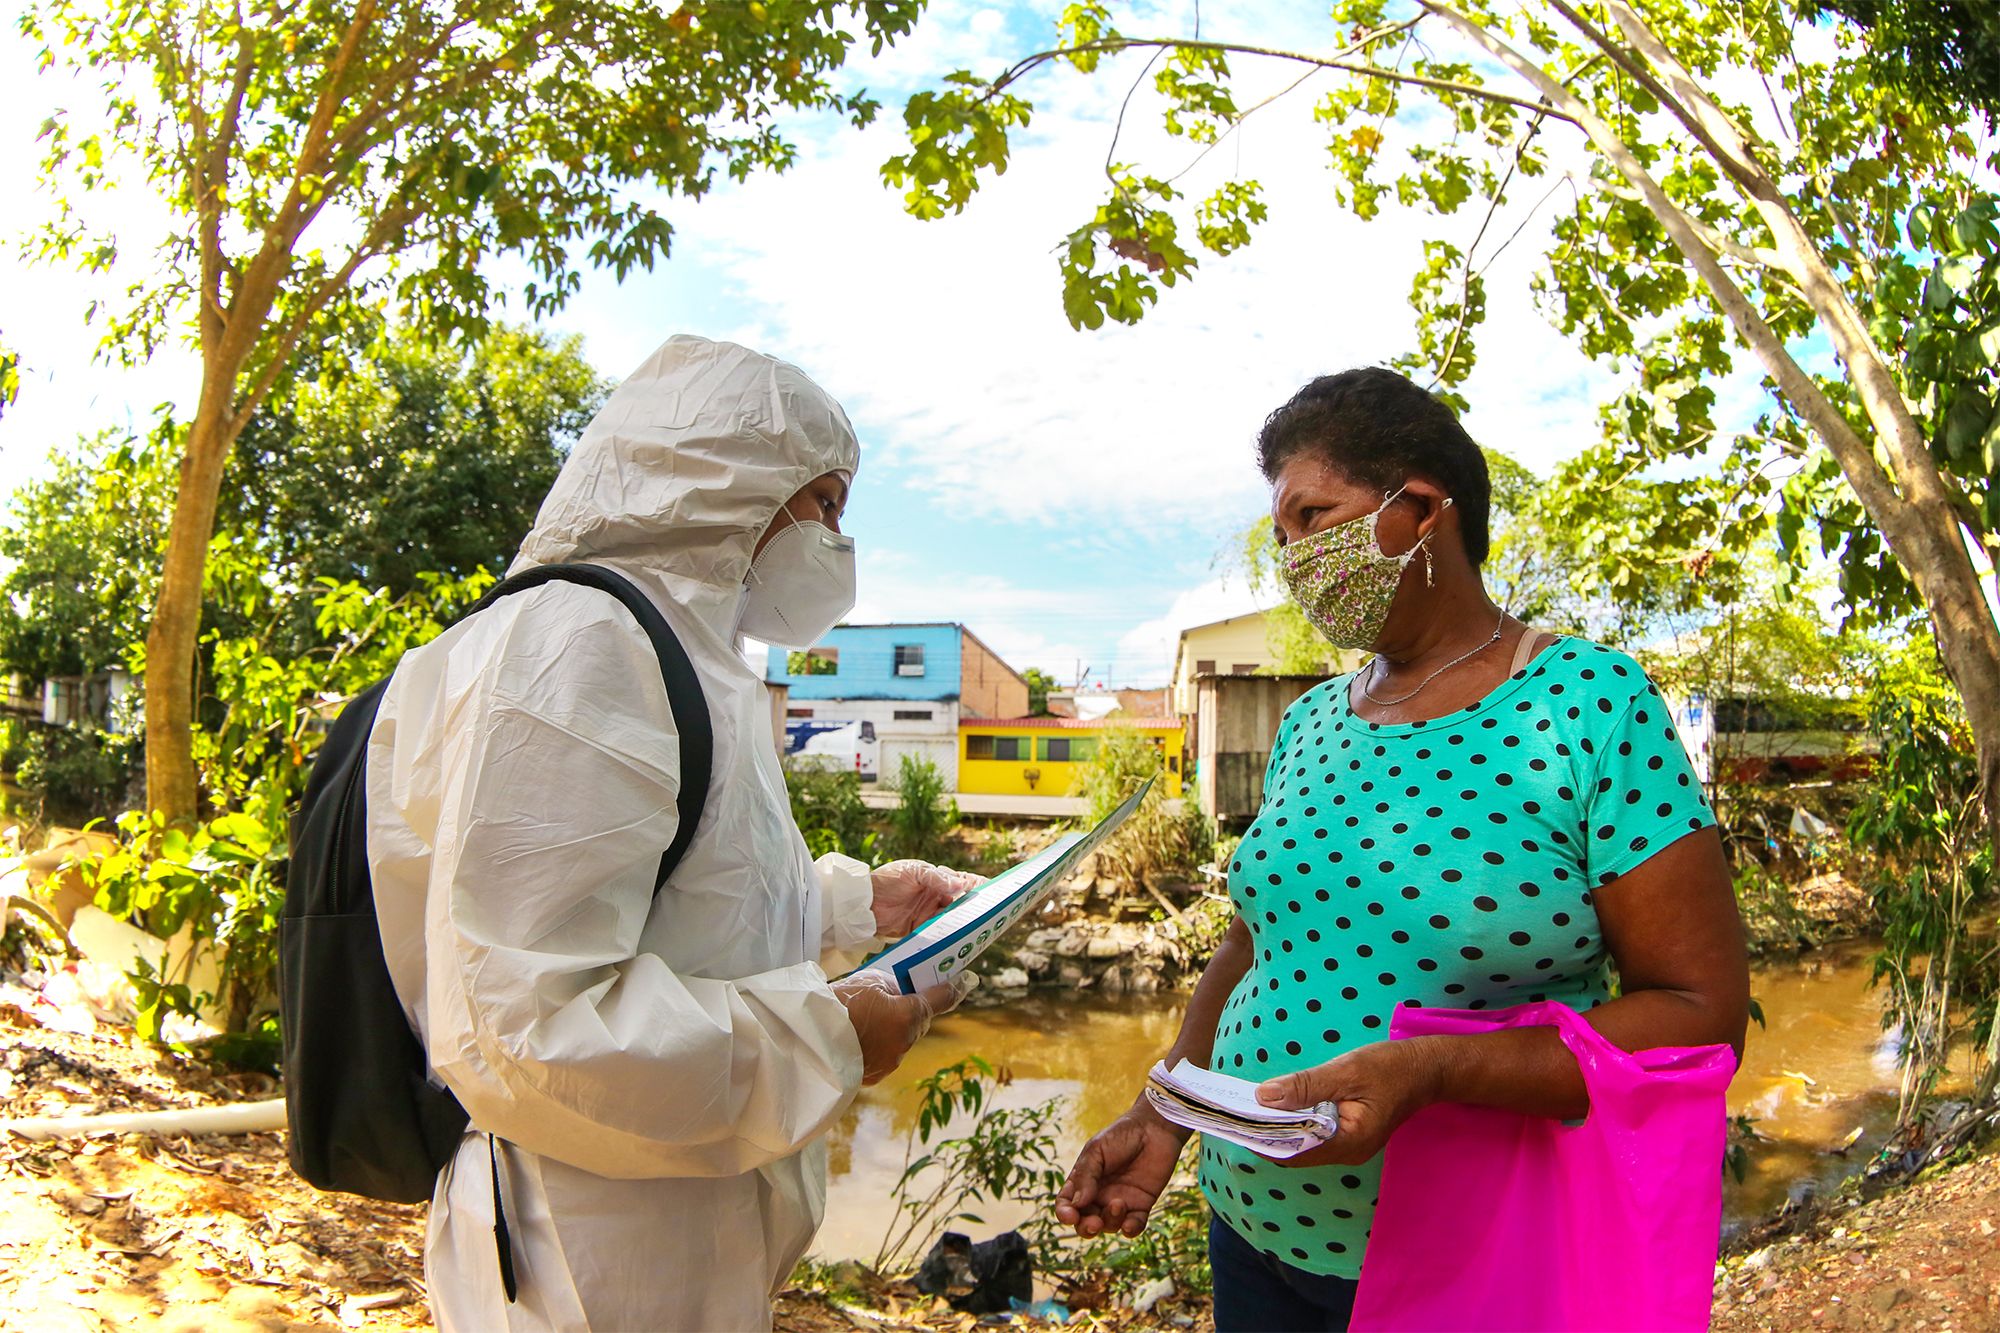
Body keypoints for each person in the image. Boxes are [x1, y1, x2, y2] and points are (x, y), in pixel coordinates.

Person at [1055, 367, 1750, 1332]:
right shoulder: (1311, 724)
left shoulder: (1591, 705)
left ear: (1421, 509)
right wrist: (1171, 1108)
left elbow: (1699, 1017)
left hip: (1468, 1257)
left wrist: (1432, 1071)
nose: (1295, 557)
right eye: (1282, 534)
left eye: (1315, 516)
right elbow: (1254, 945)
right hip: (1250, 1224)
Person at [365, 335, 977, 1331]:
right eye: (824, 504)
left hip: (663, 1231)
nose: (836, 541)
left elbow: (670, 882)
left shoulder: (672, 649)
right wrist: (834, 1029)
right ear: (731, 479)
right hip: (588, 1258)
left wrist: (860, 902)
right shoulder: (577, 644)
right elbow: (530, 1027)